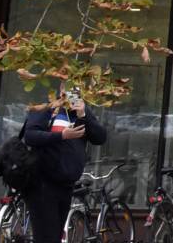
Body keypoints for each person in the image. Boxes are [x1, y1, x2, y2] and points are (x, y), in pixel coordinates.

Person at [21, 89, 108, 243]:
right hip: (43, 184)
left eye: (77, 85)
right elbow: (30, 136)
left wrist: (83, 115)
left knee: (55, 235)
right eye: (68, 83)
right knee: (47, 237)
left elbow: (100, 137)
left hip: (66, 185)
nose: (73, 89)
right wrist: (62, 135)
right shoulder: (48, 106)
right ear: (61, 86)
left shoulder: (80, 109)